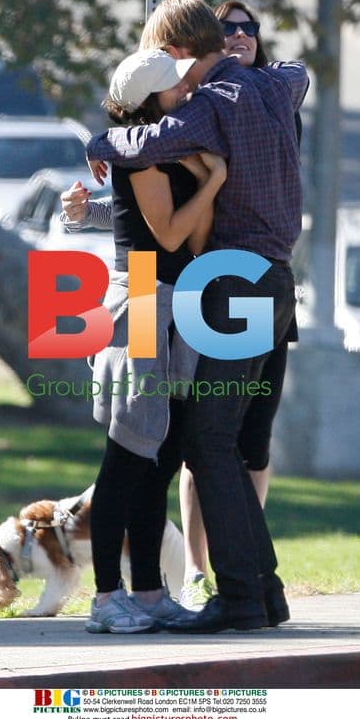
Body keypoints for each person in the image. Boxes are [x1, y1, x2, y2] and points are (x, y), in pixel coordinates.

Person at [61, 0, 302, 612]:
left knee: (193, 442)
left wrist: (101, 137)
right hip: (204, 289)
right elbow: (150, 226)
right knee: (161, 446)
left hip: (218, 287)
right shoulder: (275, 87)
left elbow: (143, 150)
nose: (177, 79)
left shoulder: (197, 117)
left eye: (173, 62)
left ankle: (237, 595)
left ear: (183, 54)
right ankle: (165, 593)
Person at [80, 47, 227, 633]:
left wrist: (202, 178)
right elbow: (168, 233)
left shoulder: (167, 154)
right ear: (147, 103)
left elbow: (195, 244)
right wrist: (211, 178)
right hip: (141, 291)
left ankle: (147, 592)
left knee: (161, 456)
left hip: (171, 293)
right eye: (174, 88)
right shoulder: (139, 158)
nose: (185, 93)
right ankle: (105, 598)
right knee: (128, 453)